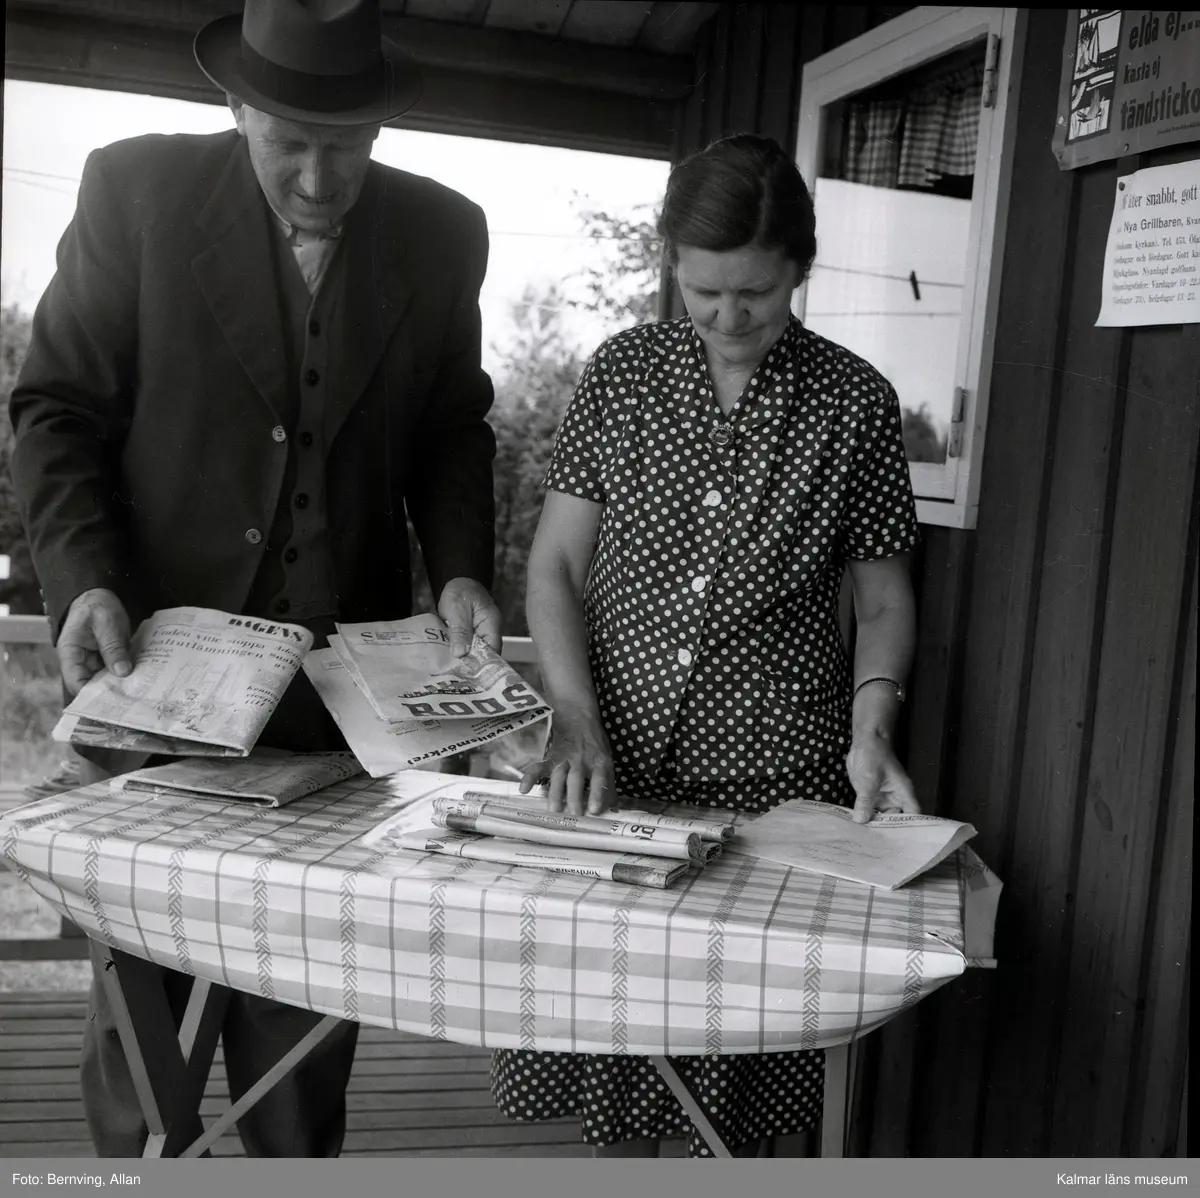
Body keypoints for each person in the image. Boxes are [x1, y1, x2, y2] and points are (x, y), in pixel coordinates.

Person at [8, 0, 500, 1157]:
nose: (322, 180)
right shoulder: (135, 192)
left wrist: (462, 572)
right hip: (161, 686)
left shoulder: (445, 231)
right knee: (146, 1018)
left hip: (338, 713)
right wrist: (84, 581)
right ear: (236, 107)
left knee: (306, 1024)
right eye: (291, 144)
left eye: (349, 146)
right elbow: (56, 409)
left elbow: (452, 432)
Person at [490, 133, 921, 1157]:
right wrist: (574, 714)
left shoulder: (853, 402)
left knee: (732, 1071)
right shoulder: (624, 374)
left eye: (756, 294)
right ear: (671, 266)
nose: (729, 318)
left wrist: (873, 729)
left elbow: (883, 600)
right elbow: (555, 567)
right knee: (613, 1040)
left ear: (800, 270)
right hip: (616, 767)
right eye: (704, 291)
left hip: (772, 786)